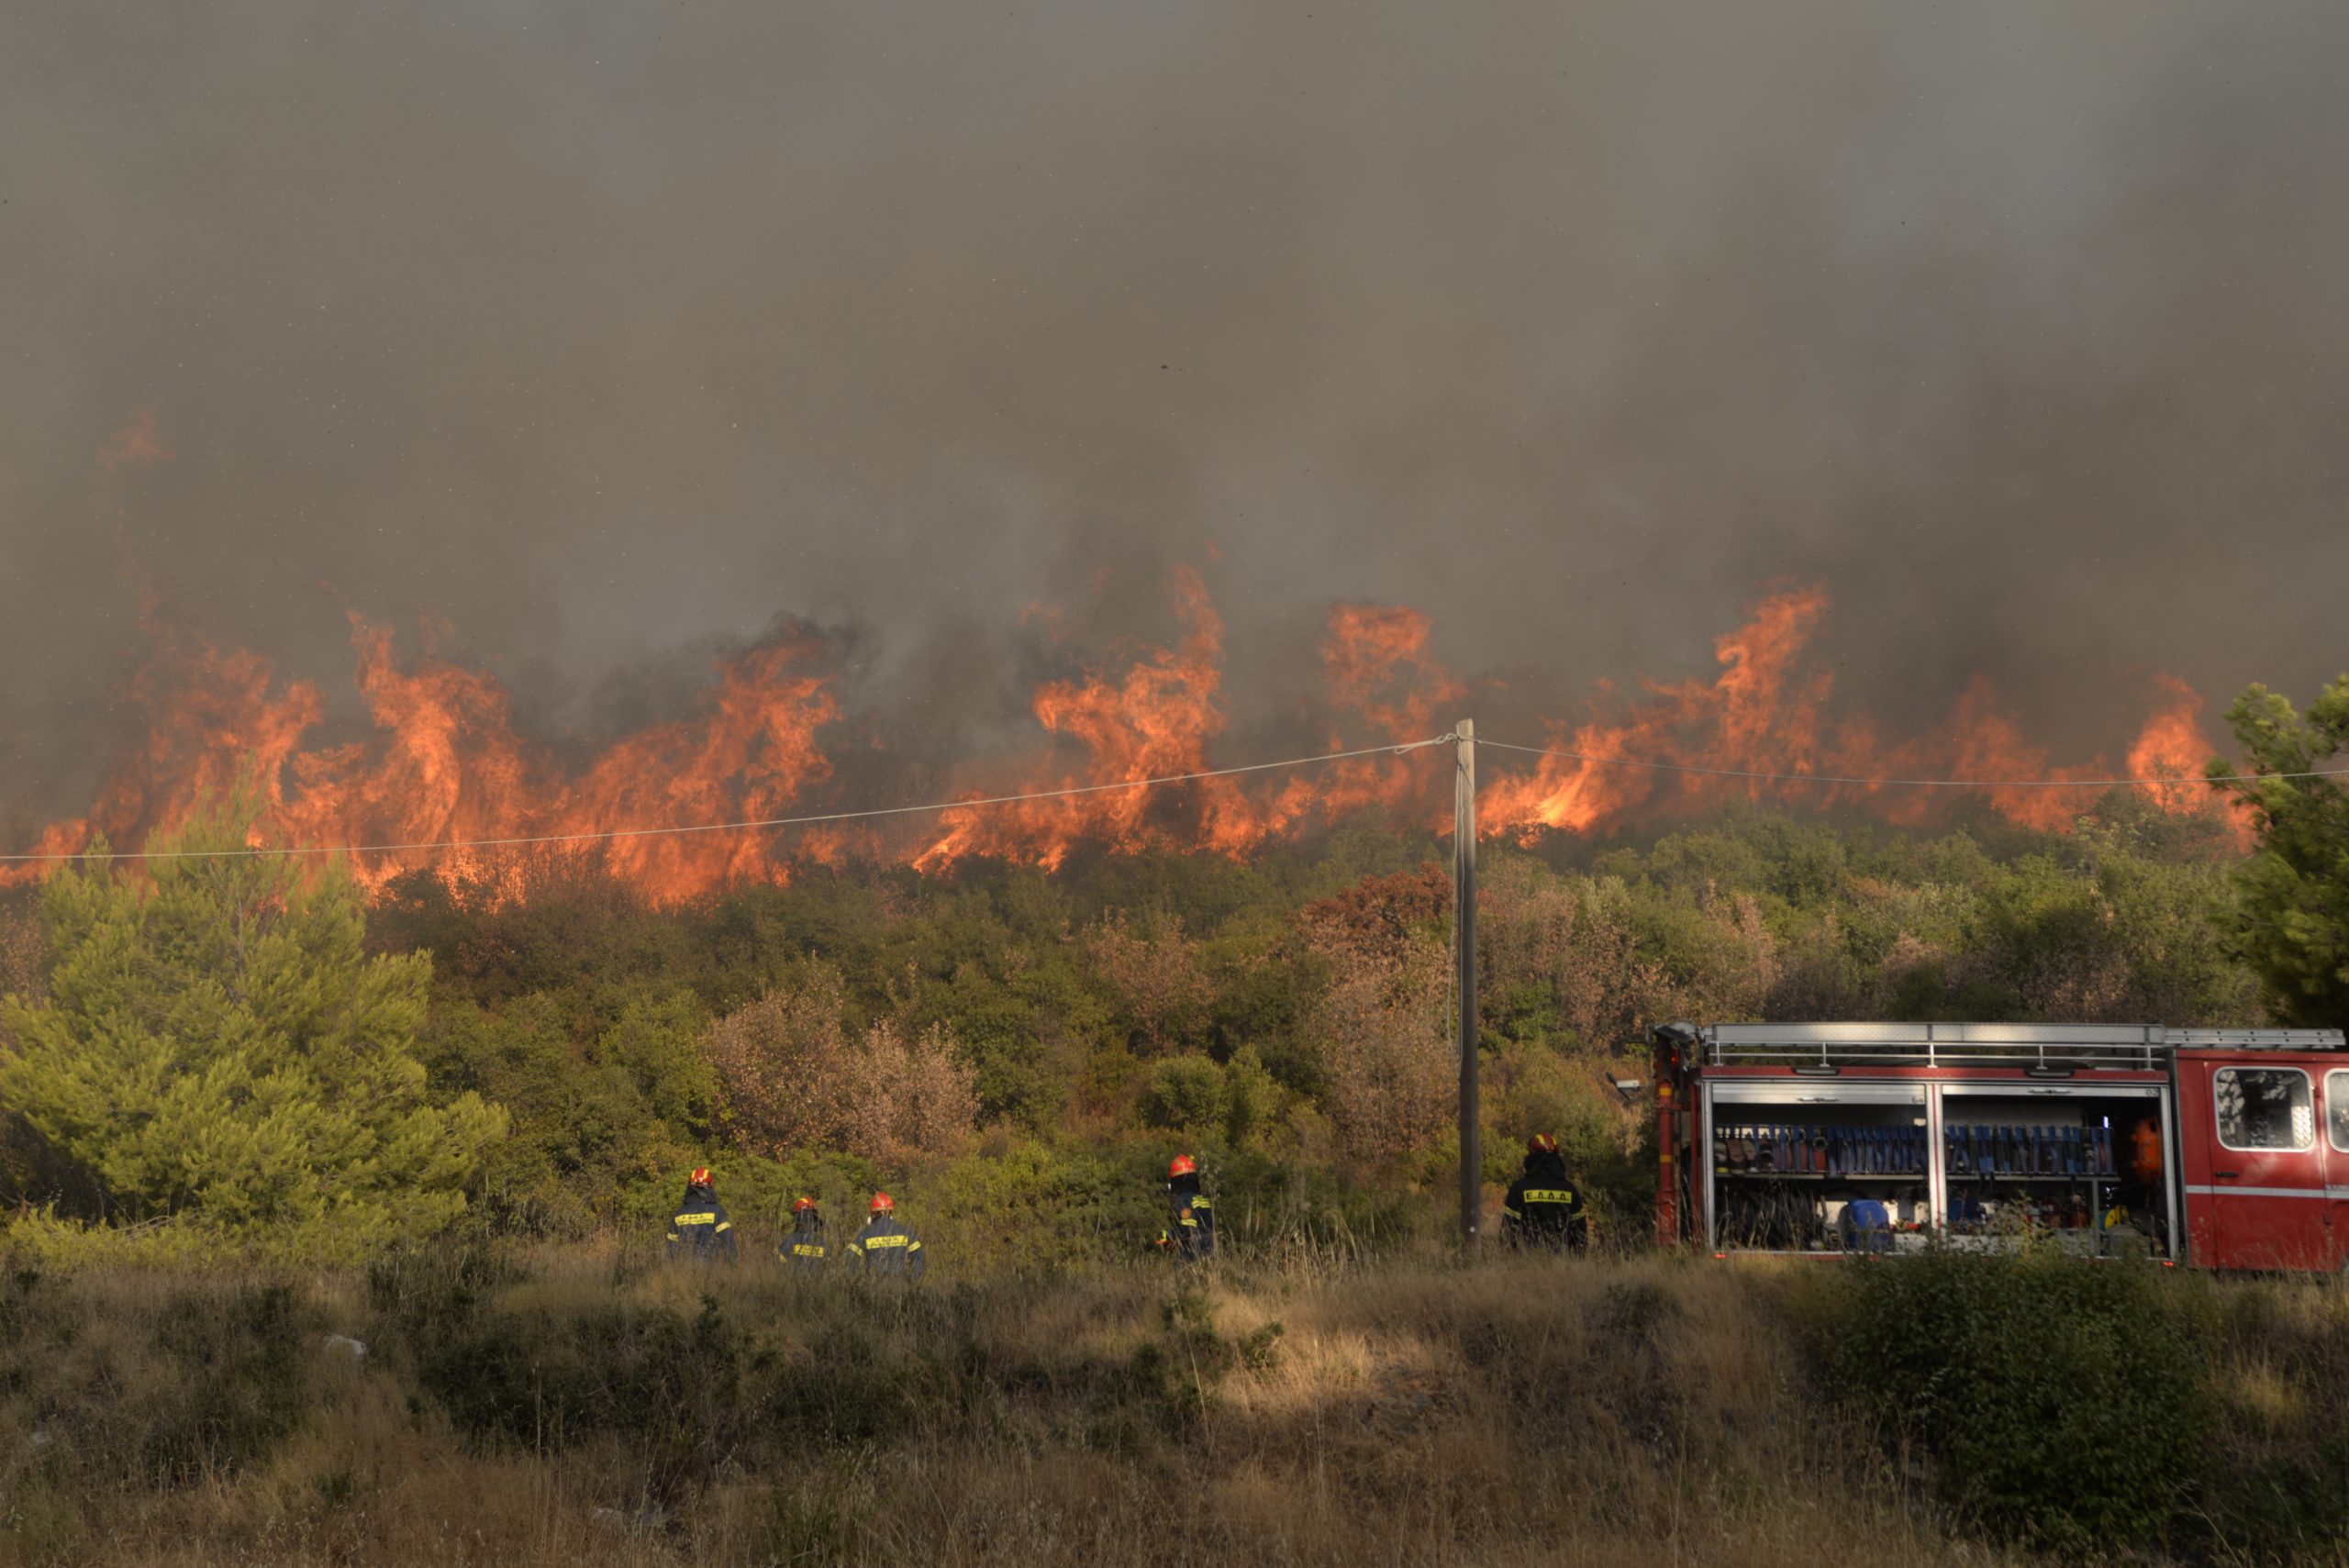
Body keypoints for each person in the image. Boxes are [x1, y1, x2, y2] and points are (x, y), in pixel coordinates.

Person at [1500, 1133, 1587, 1252]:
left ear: (1532, 1156)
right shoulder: (1570, 1189)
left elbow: (1507, 1231)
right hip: (1563, 1260)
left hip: (1528, 1259)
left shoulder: (1519, 1188)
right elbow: (1580, 1232)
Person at [844, 1191, 926, 1279]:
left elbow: (850, 1257)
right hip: (900, 1284)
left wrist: (858, 1281)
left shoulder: (866, 1234)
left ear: (873, 1212)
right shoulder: (905, 1232)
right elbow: (919, 1257)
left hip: (874, 1284)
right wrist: (912, 1280)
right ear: (890, 1211)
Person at [666, 1166, 738, 1263]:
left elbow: (671, 1250)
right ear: (710, 1187)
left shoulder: (678, 1215)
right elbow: (728, 1241)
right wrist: (732, 1265)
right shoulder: (716, 1212)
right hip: (712, 1267)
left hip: (685, 1268)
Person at [1159, 1152, 1216, 1262]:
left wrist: (1167, 1236)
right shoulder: (1202, 1199)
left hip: (1192, 1254)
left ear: (1175, 1180)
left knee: (1180, 1269)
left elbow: (1187, 1228)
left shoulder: (1184, 1200)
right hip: (1209, 1253)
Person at [779, 1195, 828, 1268]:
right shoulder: (822, 1242)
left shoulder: (792, 1240)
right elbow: (829, 1265)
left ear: (798, 1216)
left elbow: (777, 1263)